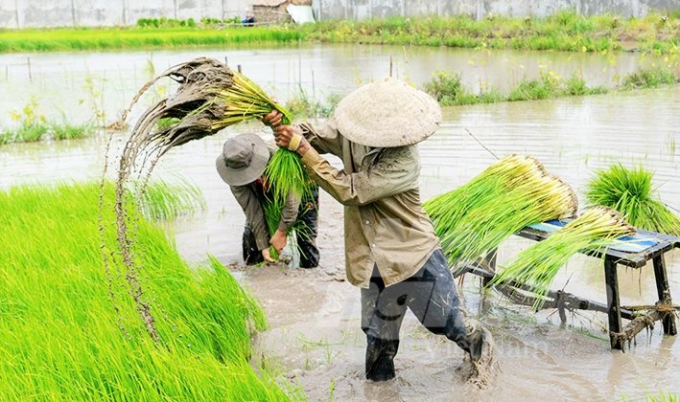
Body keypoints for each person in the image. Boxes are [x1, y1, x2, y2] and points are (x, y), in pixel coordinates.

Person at [262, 78, 495, 382]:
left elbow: (350, 190)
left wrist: (304, 149)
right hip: (372, 258)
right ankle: (380, 390)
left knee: (450, 325)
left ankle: (484, 359)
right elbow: (312, 136)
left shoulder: (404, 159)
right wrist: (282, 125)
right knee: (378, 339)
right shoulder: (352, 133)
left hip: (411, 255)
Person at [216, 133, 319, 268]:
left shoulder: (281, 157)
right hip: (264, 190)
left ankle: (308, 278)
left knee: (306, 240)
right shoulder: (233, 171)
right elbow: (252, 209)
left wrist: (281, 232)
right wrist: (263, 246)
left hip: (302, 187)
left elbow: (292, 202)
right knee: (252, 243)